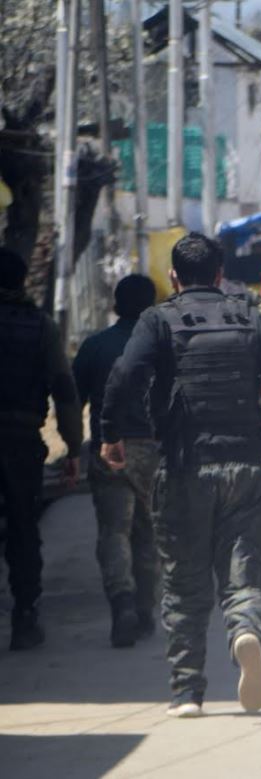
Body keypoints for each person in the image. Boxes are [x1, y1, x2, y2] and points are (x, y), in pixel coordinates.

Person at [100, 233, 261, 718]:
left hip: (184, 468)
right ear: (220, 275)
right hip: (246, 469)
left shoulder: (158, 320)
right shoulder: (252, 319)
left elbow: (125, 373)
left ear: (173, 277)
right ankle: (245, 631)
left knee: (184, 582)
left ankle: (187, 692)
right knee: (243, 571)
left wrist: (110, 433)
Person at [0, 248, 83, 651]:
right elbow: (63, 390)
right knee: (22, 528)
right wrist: (73, 446)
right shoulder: (40, 326)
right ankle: (25, 616)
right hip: (20, 441)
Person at [72, 274, 160, 648]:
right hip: (155, 451)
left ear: (115, 305)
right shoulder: (165, 345)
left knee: (114, 532)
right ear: (152, 307)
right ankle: (145, 609)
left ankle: (122, 601)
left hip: (111, 450)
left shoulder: (95, 346)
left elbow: (72, 399)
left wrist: (73, 448)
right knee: (149, 531)